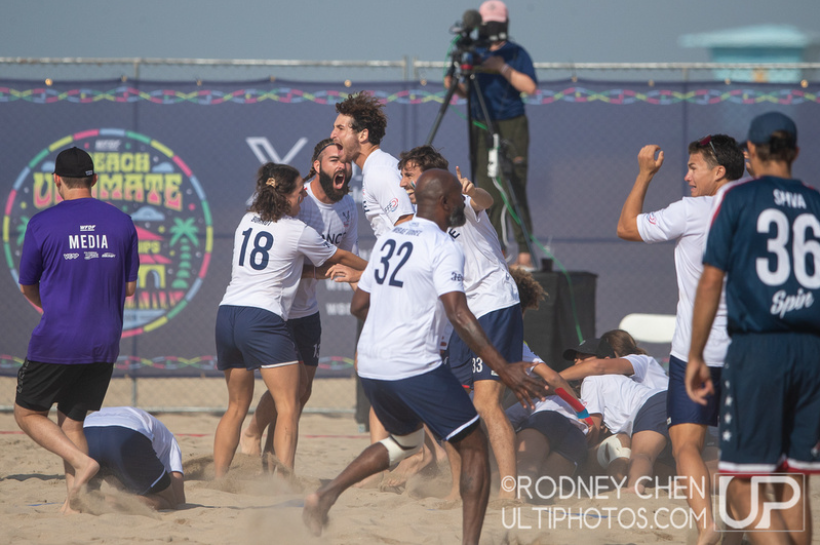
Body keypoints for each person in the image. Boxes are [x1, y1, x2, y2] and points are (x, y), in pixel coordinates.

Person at [302, 169, 545, 545]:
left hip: (370, 364)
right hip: (412, 363)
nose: (461, 205)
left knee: (406, 443)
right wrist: (504, 368)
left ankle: (325, 494)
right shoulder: (445, 244)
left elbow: (358, 304)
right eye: (458, 200)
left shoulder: (390, 238)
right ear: (447, 203)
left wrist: (393, 324)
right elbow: (459, 313)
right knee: (475, 446)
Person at [687, 112, 820, 543]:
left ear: (752, 152)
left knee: (742, 488)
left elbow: (711, 279)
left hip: (759, 349)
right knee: (792, 480)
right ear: (796, 153)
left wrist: (695, 354)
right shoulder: (816, 203)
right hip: (811, 351)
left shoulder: (740, 199)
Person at [616, 135, 744, 545]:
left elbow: (626, 228)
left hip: (697, 352)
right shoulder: (758, 209)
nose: (687, 176)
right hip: (749, 352)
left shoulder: (692, 210)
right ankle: (755, 524)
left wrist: (643, 175)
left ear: (718, 171)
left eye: (694, 168)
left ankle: (708, 525)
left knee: (686, 444)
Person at [213, 162, 366, 478]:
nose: (302, 199)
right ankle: (284, 481)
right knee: (289, 405)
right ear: (284, 197)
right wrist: (378, 268)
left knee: (235, 408)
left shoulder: (246, 220)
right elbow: (339, 257)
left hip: (227, 314)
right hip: (262, 318)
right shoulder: (296, 230)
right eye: (299, 194)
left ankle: (219, 479)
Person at [14, 146, 139, 514]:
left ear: (56, 181)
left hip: (58, 337)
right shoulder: (121, 221)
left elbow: (27, 286)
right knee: (72, 422)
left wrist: (55, 305)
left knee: (27, 414)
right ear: (94, 180)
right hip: (104, 340)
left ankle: (84, 465)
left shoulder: (41, 223)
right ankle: (76, 503)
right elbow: (129, 288)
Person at [399, 145, 523, 500]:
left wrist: (471, 190)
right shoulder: (420, 223)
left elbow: (485, 200)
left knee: (486, 402)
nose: (404, 183)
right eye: (403, 177)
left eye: (409, 175)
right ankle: (457, 489)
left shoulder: (460, 204)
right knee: (450, 406)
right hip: (461, 316)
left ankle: (509, 491)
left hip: (493, 304)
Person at [239, 139, 359, 459]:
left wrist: (366, 299)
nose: (343, 166)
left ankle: (269, 452)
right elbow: (280, 263)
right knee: (290, 391)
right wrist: (326, 271)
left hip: (306, 310)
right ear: (317, 166)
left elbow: (348, 262)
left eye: (347, 161)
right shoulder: (294, 198)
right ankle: (252, 433)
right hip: (275, 308)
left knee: (302, 392)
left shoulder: (348, 207)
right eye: (335, 159)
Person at [444, 0, 538, 269]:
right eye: (487, 25)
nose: (491, 30)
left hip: (511, 124)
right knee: (485, 185)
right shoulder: (475, 51)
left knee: (514, 186)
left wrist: (501, 67)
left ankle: (524, 253)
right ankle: (495, 246)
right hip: (481, 124)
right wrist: (453, 81)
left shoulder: (516, 52)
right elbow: (464, 91)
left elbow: (530, 87)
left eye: (496, 24)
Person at [506, 267, 590, 499]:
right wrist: (584, 413)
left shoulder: (499, 337)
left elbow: (551, 379)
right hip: (575, 438)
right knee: (544, 491)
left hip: (544, 424)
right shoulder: (515, 343)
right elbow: (553, 379)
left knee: (520, 480)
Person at [569, 338, 670, 494]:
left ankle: (633, 490)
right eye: (576, 359)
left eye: (584, 358)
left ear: (607, 360)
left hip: (652, 404)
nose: (577, 362)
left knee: (633, 451)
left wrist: (584, 464)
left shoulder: (591, 379)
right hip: (668, 401)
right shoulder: (621, 379)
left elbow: (593, 429)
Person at [331, 91, 414, 238]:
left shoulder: (379, 171)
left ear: (363, 135)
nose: (333, 135)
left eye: (341, 128)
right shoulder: (375, 168)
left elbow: (408, 225)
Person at [84, 406, 185, 510]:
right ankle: (115, 501)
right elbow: (178, 497)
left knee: (87, 493)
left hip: (86, 430)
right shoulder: (170, 441)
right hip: (125, 433)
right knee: (169, 500)